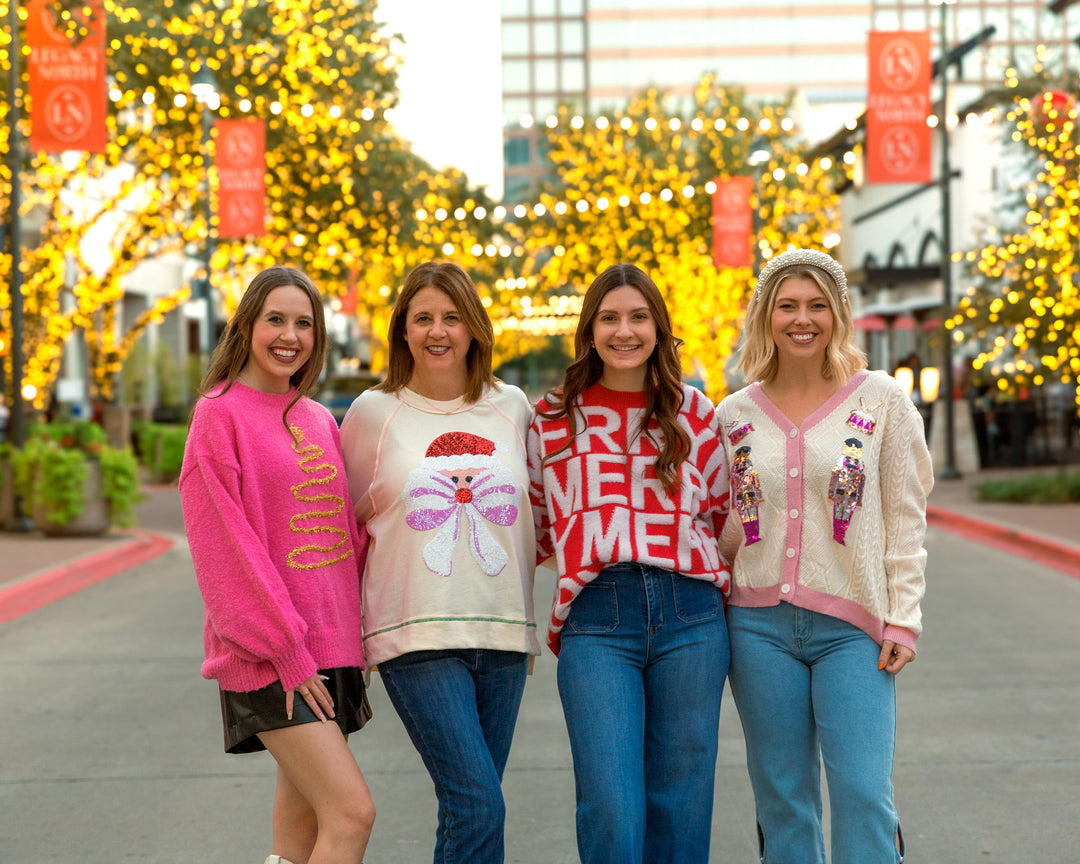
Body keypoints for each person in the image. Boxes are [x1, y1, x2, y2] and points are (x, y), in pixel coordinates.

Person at [716, 248, 933, 864]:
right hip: (755, 627)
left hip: (854, 628)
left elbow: (904, 518)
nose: (801, 319)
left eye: (816, 306)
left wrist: (904, 618)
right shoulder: (732, 415)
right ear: (766, 315)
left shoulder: (881, 400)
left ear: (838, 314)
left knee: (864, 792)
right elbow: (728, 520)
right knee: (782, 798)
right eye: (787, 306)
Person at [527, 263, 732, 864]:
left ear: (659, 328)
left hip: (691, 617)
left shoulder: (695, 412)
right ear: (589, 330)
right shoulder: (552, 416)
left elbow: (722, 516)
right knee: (611, 810)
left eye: (638, 317)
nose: (624, 331)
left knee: (682, 807)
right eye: (609, 318)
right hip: (596, 619)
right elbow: (539, 523)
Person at [339, 260, 540, 864]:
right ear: (402, 330)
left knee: (471, 804)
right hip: (414, 636)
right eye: (423, 317)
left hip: (503, 634)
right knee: (478, 802)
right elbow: (342, 534)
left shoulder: (514, 407)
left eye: (452, 317)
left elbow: (536, 514)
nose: (438, 331)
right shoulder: (374, 413)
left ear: (473, 327)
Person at [180, 266, 375, 864]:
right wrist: (288, 651)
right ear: (246, 326)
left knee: (303, 834)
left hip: (331, 654)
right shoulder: (219, 415)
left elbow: (350, 541)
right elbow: (226, 552)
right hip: (274, 658)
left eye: (304, 323)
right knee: (351, 814)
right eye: (276, 319)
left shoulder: (318, 418)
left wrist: (357, 642)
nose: (290, 335)